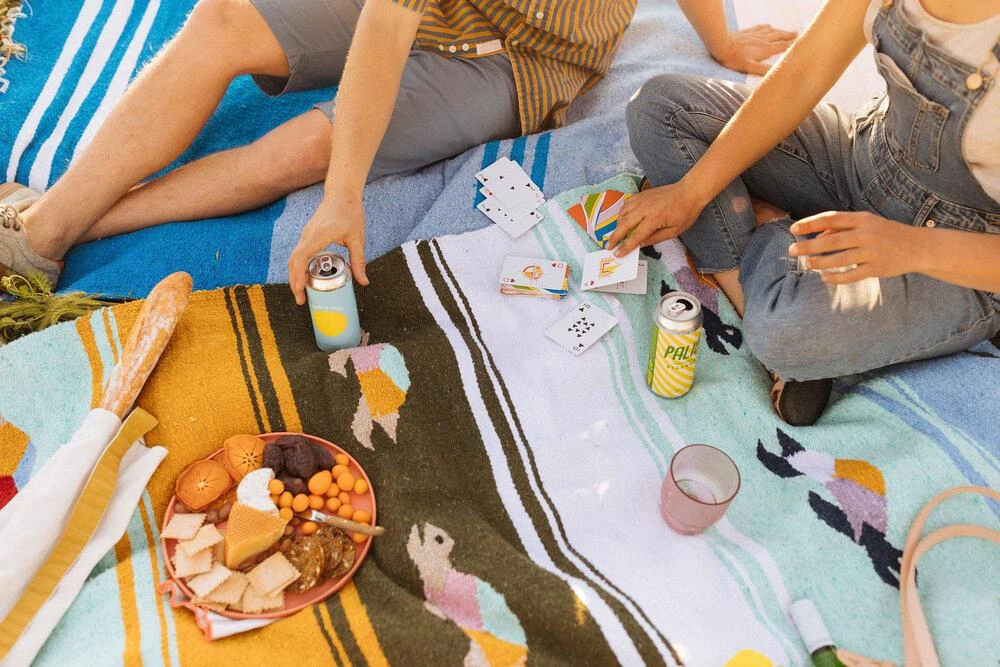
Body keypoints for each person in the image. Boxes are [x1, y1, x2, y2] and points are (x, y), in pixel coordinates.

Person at [0, 0, 791, 299]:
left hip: (529, 57)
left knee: (306, 149)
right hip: (425, 8)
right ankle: (44, 230)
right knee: (221, 22)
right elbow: (387, 21)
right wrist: (346, 192)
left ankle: (66, 225)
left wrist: (721, 40)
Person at [613, 0, 1000, 426]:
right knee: (660, 107)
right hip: (862, 158)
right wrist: (692, 191)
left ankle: (766, 229)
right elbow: (802, 74)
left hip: (957, 263)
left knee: (784, 332)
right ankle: (752, 291)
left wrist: (913, 247)